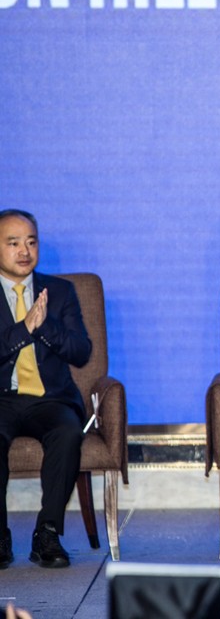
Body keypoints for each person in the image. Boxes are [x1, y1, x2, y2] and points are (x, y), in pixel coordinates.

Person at [0, 209, 91, 570]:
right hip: (2, 399)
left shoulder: (61, 292)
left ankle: (48, 533)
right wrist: (24, 328)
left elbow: (82, 352)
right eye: (13, 243)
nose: (25, 251)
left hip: (49, 398)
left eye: (31, 242)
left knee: (68, 432)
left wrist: (45, 327)